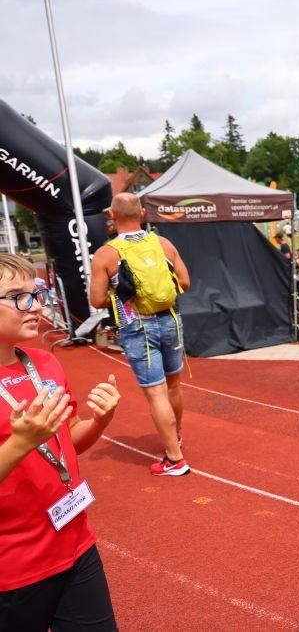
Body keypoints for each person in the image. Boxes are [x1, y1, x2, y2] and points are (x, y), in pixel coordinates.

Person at [0, 254, 122, 632]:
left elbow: (69, 440)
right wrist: (20, 443)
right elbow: (28, 445)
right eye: (17, 296)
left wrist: (101, 421)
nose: (35, 306)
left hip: (76, 544)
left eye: (36, 293)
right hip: (12, 569)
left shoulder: (44, 363)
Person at [89, 193, 192, 476]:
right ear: (143, 214)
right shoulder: (163, 244)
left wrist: (121, 293)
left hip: (137, 326)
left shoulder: (106, 253)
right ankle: (176, 436)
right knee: (173, 386)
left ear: (112, 215)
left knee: (156, 392)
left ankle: (175, 459)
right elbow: (184, 282)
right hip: (170, 320)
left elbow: (97, 300)